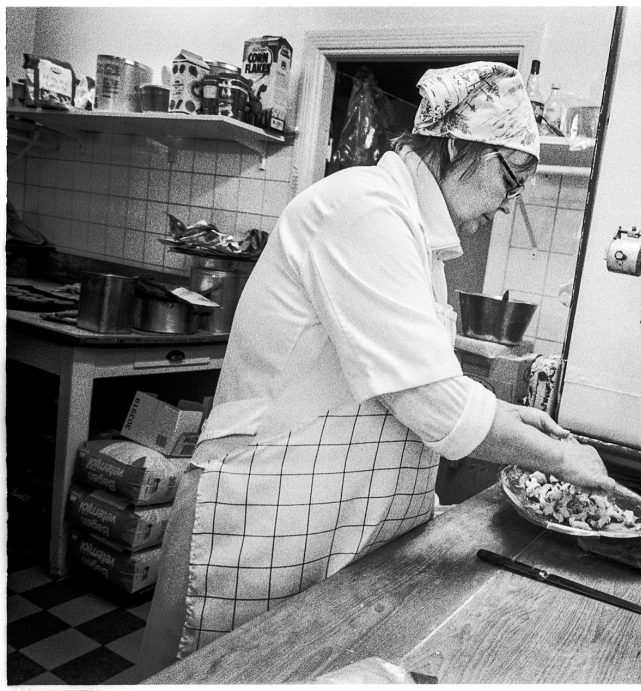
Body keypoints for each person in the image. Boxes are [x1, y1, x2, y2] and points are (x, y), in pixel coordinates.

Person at [139, 61, 614, 676]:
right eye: (509, 177)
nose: (508, 202)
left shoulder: (414, 235)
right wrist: (561, 459)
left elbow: (409, 375)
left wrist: (507, 413)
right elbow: (430, 403)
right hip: (261, 518)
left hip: (324, 522)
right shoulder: (362, 207)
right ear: (452, 144)